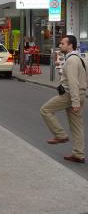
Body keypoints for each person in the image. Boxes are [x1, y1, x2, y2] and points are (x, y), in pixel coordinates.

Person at [40, 35, 87, 163]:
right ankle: (79, 154)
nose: (60, 45)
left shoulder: (71, 61)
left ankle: (60, 135)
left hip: (69, 95)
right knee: (77, 126)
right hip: (80, 94)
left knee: (45, 110)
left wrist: (75, 101)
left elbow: (72, 82)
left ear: (70, 45)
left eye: (62, 43)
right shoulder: (80, 59)